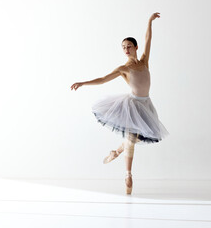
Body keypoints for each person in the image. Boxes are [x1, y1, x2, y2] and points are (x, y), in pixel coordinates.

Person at [70, 12, 169, 195]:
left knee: (134, 138)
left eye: (129, 46)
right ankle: (128, 175)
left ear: (136, 47)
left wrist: (149, 21)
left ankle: (115, 152)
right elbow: (103, 79)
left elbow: (148, 39)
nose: (126, 49)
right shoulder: (124, 68)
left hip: (146, 105)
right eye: (123, 47)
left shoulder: (145, 61)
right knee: (131, 140)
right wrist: (83, 83)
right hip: (131, 106)